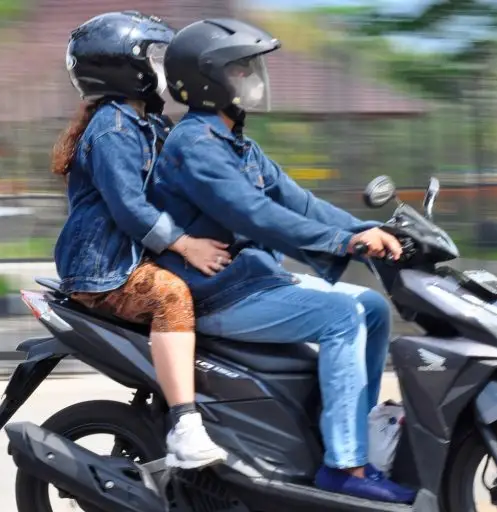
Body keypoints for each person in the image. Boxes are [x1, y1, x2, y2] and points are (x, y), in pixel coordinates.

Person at [148, 18, 417, 504]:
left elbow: (300, 203)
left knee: (373, 310)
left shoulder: (236, 143)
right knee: (341, 316)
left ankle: (353, 435)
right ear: (208, 80)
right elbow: (255, 215)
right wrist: (342, 244)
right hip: (219, 292)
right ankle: (345, 468)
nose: (254, 78)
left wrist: (367, 231)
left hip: (254, 281)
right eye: (242, 68)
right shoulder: (194, 145)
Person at [51, 11, 231, 470]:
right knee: (172, 296)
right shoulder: (112, 128)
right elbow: (129, 207)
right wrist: (187, 244)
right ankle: (186, 427)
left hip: (130, 256)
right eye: (154, 59)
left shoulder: (148, 123)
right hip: (104, 268)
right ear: (124, 69)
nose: (164, 71)